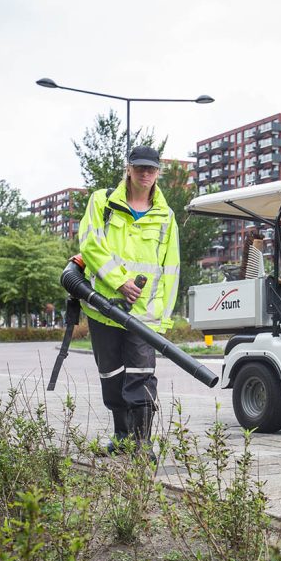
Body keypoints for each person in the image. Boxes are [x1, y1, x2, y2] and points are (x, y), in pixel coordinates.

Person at [78, 146, 181, 459]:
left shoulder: (166, 216)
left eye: (151, 169)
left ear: (158, 172)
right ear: (128, 169)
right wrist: (119, 282)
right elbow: (90, 244)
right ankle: (122, 437)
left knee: (141, 376)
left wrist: (161, 320)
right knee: (112, 376)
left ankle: (142, 442)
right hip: (104, 308)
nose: (145, 174)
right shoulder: (102, 201)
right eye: (139, 168)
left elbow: (171, 269)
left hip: (142, 317)